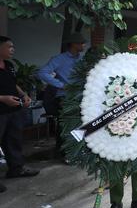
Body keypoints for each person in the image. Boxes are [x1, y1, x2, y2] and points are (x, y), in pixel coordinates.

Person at [0, 36, 39, 191]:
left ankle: (16, 168)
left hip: (13, 110)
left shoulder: (9, 65)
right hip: (1, 111)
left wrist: (24, 95)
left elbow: (13, 84)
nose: (12, 50)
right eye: (9, 46)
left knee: (13, 140)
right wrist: (2, 98)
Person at [38, 32, 86, 154]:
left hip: (81, 97)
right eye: (81, 43)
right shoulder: (59, 59)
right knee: (65, 125)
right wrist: (62, 85)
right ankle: (64, 152)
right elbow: (42, 73)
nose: (83, 45)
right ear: (74, 44)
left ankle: (77, 151)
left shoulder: (82, 59)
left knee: (81, 124)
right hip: (65, 97)